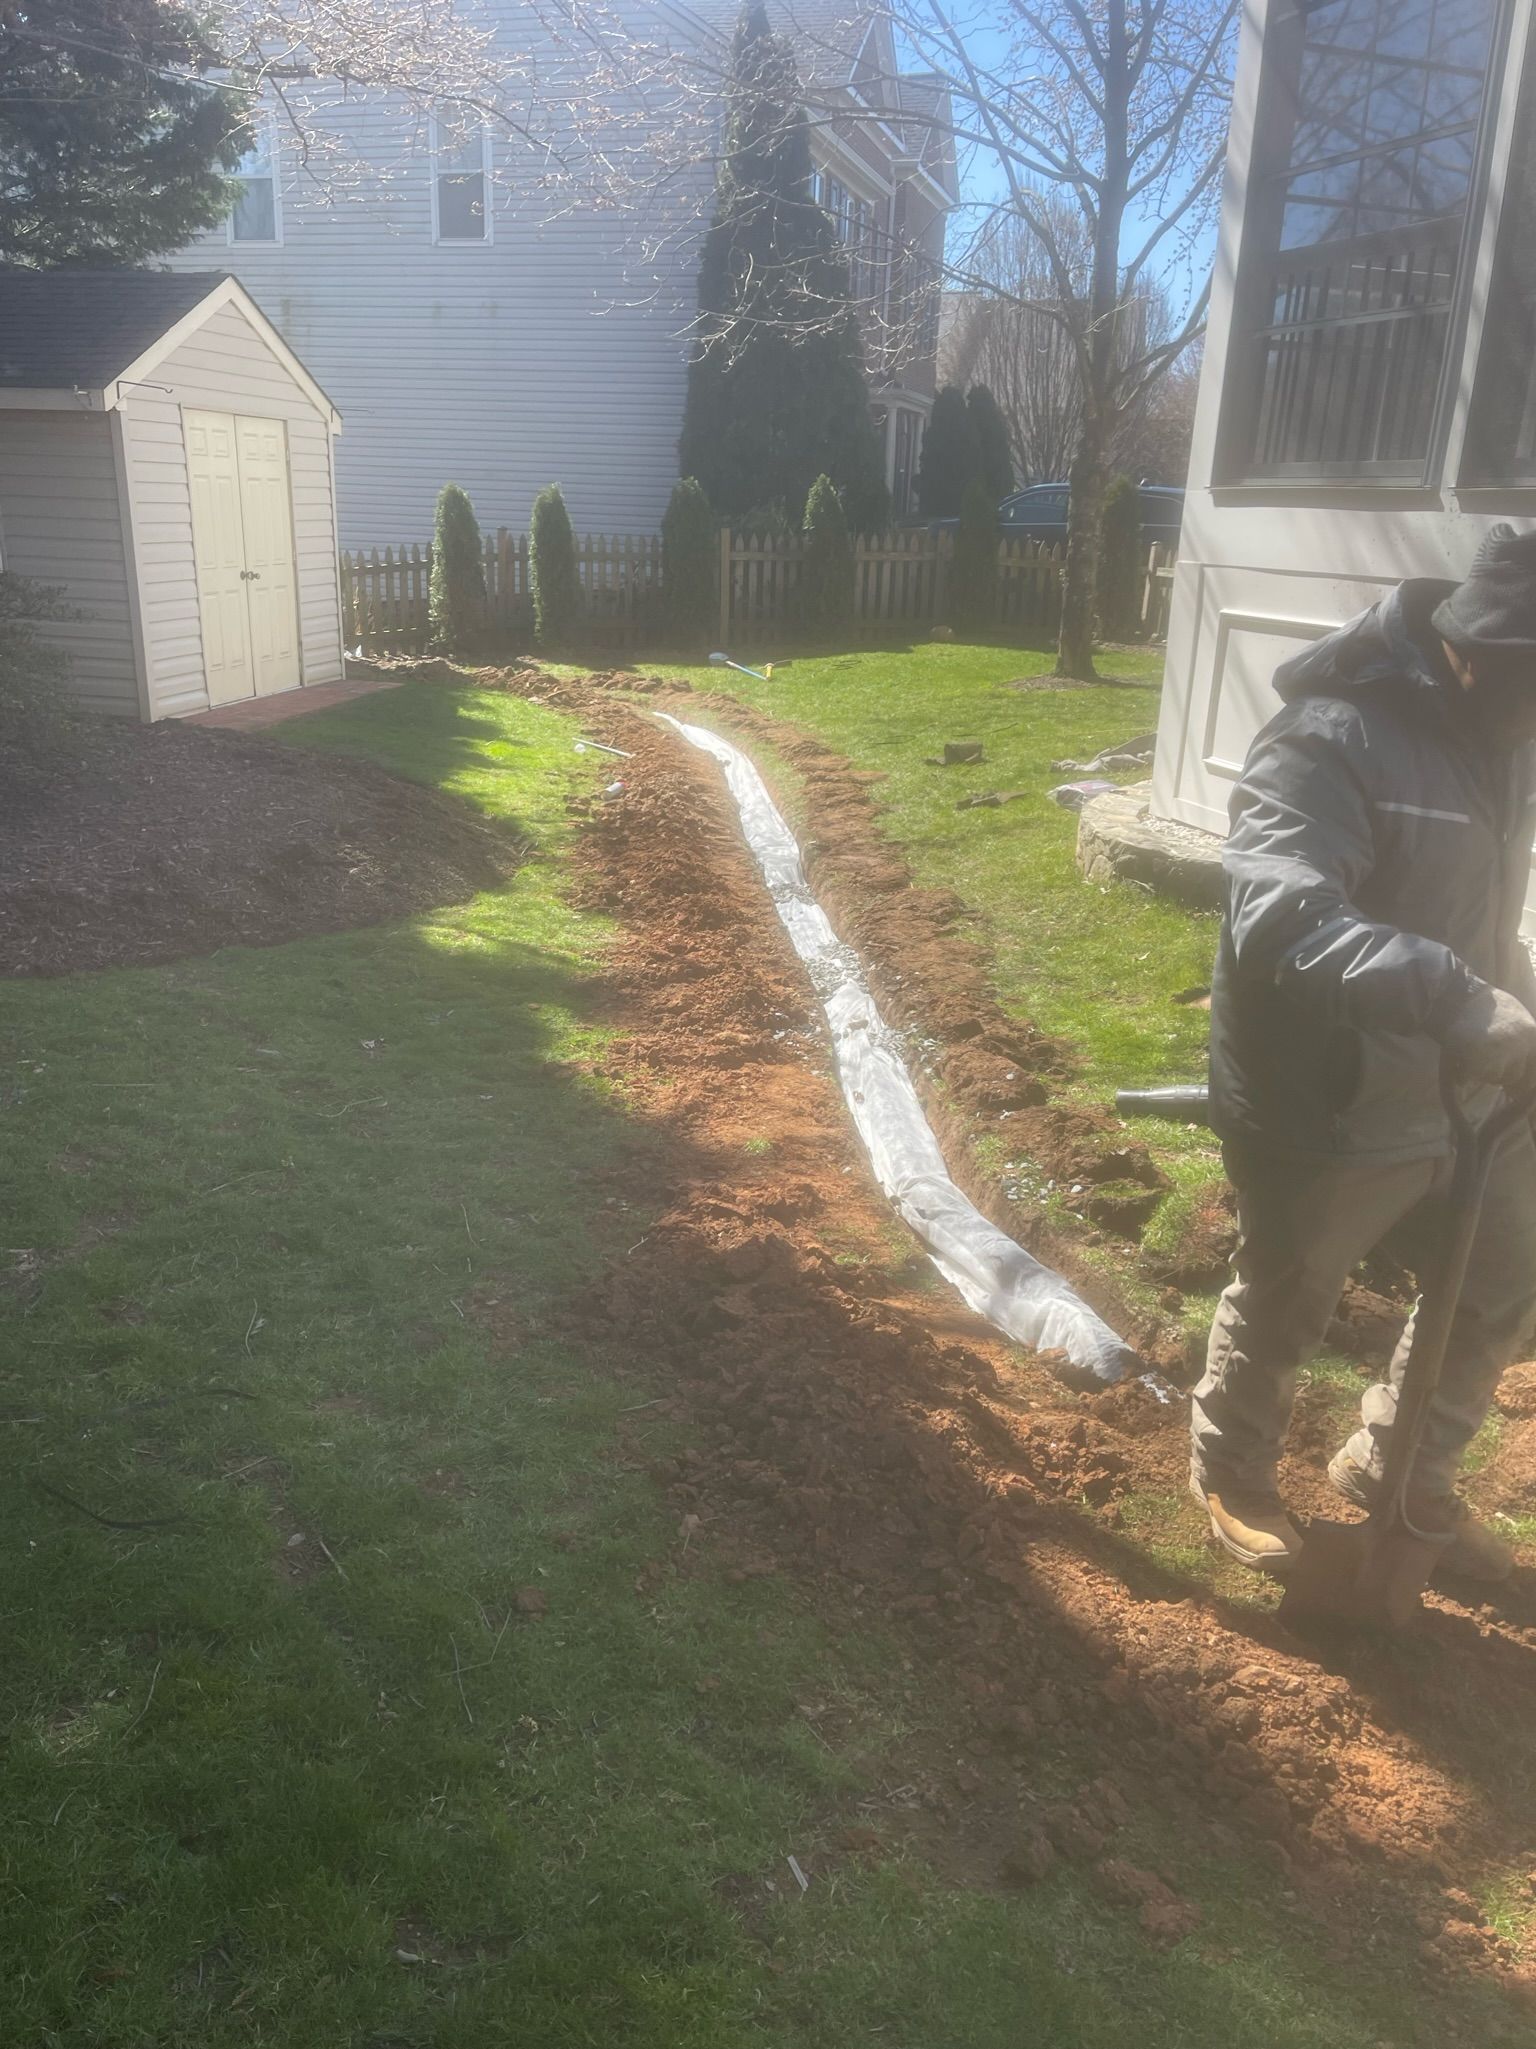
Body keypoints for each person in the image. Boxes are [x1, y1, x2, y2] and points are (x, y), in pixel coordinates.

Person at [1191, 524, 1536, 1577]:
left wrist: (1513, 994)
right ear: (1475, 653)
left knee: (1504, 1271)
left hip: (1458, 1088)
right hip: (1325, 1086)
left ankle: (1400, 1472)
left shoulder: (1500, 738)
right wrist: (1454, 997)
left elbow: (1473, 912)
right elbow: (1279, 915)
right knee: (1293, 1287)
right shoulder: (1328, 737)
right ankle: (1233, 1470)